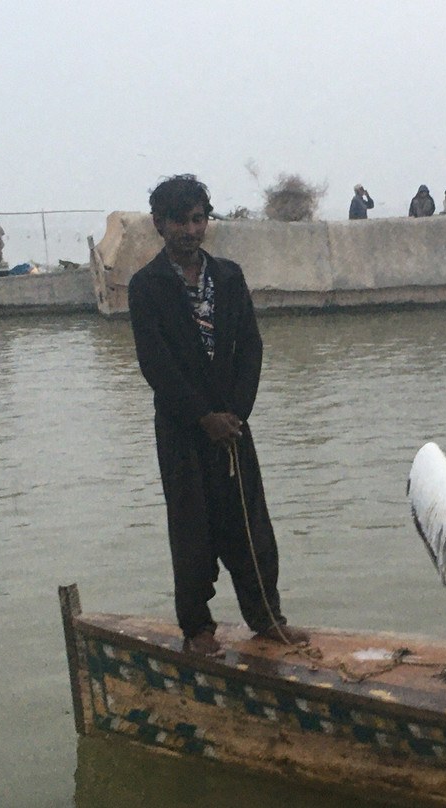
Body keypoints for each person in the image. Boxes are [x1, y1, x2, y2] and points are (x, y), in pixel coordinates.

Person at [128, 174, 308, 658]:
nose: (190, 229)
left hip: (232, 428)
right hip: (182, 431)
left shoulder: (229, 277)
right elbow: (156, 364)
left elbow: (250, 346)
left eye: (197, 218)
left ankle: (267, 618)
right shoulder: (146, 286)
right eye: (179, 221)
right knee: (191, 530)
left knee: (251, 526)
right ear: (159, 224)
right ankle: (197, 628)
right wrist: (202, 417)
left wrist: (234, 414)